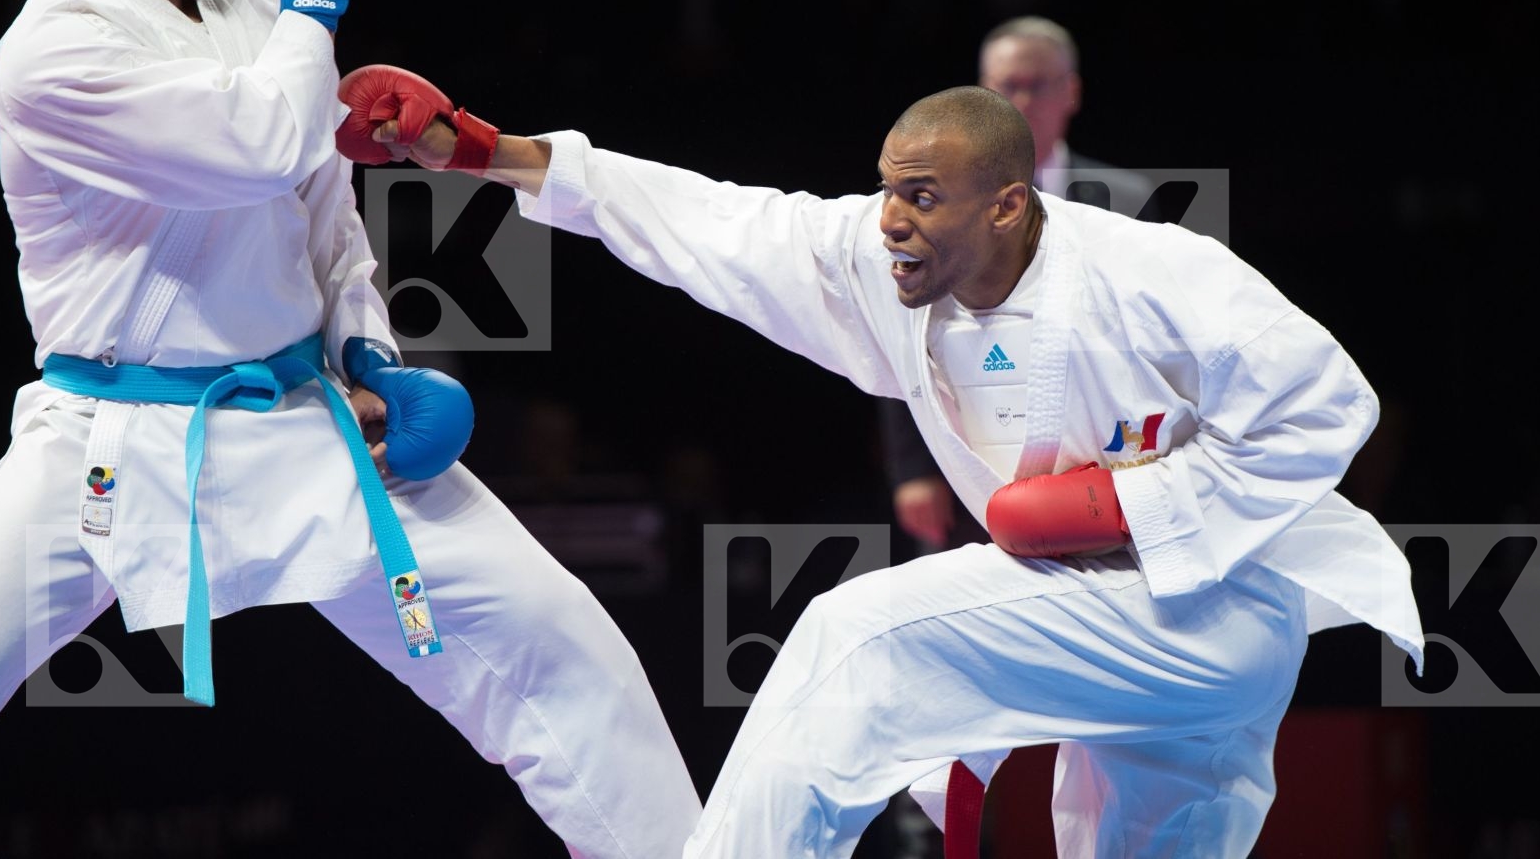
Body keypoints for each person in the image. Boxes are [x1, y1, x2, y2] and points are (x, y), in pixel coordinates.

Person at [0, 0, 699, 859]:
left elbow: (326, 209)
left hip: (301, 419)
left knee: (562, 644)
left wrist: (369, 352)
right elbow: (258, 144)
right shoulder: (50, 53)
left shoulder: (258, 15)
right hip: (112, 444)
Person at [336, 67, 1427, 858]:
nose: (891, 222)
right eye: (887, 189)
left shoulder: (1148, 272)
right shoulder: (880, 259)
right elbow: (710, 222)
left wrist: (1133, 502)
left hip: (1214, 606)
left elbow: (1333, 404)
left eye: (921, 197)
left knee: (854, 638)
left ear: (1008, 202)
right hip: (1123, 634)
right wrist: (482, 151)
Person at [887, 17, 1157, 558]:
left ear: (1072, 92)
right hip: (969, 452)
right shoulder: (935, 202)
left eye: (1039, 84)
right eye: (1008, 86)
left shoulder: (1129, 200)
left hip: (1101, 463)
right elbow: (904, 326)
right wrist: (912, 470)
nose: (1024, 100)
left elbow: (1154, 340)